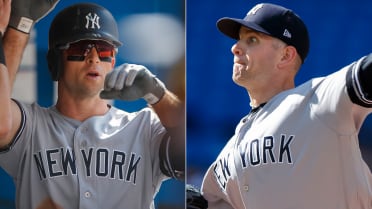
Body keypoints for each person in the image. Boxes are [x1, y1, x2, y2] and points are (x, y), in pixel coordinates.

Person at [0, 1, 185, 209]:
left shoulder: (144, 127)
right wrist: (18, 28)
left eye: (104, 50)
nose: (94, 58)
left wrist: (157, 94)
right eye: (81, 48)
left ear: (113, 61)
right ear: (54, 63)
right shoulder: (30, 128)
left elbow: (188, 149)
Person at [197, 2, 372, 209]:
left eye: (252, 39)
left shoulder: (316, 100)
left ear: (286, 55)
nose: (235, 48)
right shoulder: (228, 152)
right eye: (239, 39)